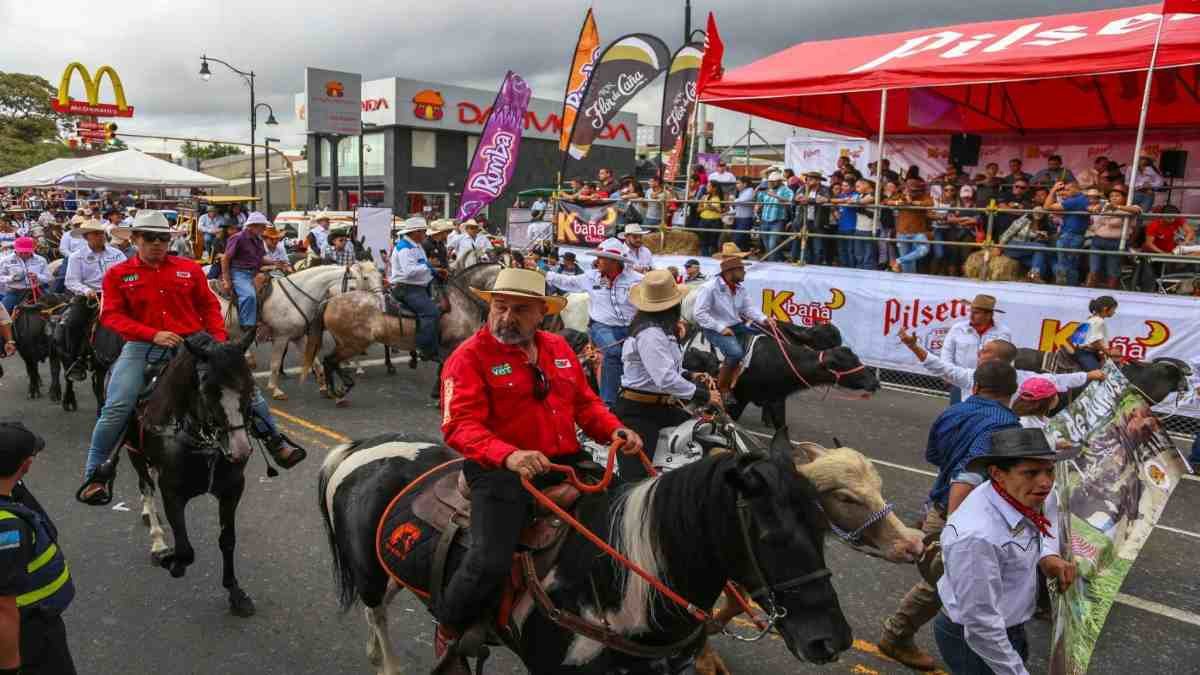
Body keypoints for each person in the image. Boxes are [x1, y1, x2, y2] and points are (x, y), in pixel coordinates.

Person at [433, 268, 643, 671]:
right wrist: (509, 455)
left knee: (621, 517)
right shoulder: (468, 358)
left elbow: (585, 404)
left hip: (562, 462)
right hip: (498, 469)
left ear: (542, 314)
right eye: (500, 306)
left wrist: (614, 429)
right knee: (489, 559)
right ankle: (450, 624)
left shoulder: (559, 348)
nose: (506, 317)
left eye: (520, 310)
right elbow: (458, 425)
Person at [77, 210, 303, 505]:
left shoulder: (188, 268)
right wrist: (151, 333)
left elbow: (209, 307)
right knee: (117, 407)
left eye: (162, 238)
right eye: (149, 238)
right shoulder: (118, 274)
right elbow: (112, 316)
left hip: (197, 342)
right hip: (142, 346)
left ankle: (275, 441)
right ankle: (96, 475)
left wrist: (220, 346)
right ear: (134, 240)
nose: (157, 243)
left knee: (247, 390)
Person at [878, 361, 1020, 671]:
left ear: (977, 387)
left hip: (939, 507)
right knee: (945, 585)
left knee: (955, 584)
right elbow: (968, 470)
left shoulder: (953, 412)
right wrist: (959, 526)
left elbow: (934, 456)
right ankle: (896, 636)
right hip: (962, 517)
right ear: (1012, 391)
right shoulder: (1006, 425)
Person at [935, 428, 1077, 675]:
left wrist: (1046, 556)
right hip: (977, 642)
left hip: (1007, 627)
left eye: (1049, 470)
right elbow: (981, 626)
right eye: (1031, 473)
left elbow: (1034, 528)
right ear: (997, 474)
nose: (1045, 482)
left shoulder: (1009, 494)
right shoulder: (977, 538)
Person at [617, 270, 711, 481]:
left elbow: (667, 370)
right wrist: (703, 395)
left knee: (700, 437)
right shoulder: (651, 333)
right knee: (635, 477)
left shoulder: (662, 330)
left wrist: (691, 375)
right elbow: (665, 378)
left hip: (660, 406)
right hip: (639, 412)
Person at [0, 421, 78, 675]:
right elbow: (3, 608)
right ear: (26, 465)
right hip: (30, 631)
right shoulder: (8, 527)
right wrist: (10, 668)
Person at [546, 246, 642, 409]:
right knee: (613, 353)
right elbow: (568, 282)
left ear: (614, 262)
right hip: (600, 326)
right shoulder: (591, 277)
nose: (597, 261)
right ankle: (608, 403)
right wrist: (545, 274)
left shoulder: (637, 280)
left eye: (602, 258)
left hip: (631, 328)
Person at [898, 330, 1101, 402]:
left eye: (985, 351)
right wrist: (913, 346)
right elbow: (940, 367)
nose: (978, 353)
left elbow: (1058, 380)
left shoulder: (1024, 379)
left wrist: (1090, 375)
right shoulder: (971, 375)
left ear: (998, 360)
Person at [693, 246, 768, 405]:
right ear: (730, 271)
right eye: (741, 269)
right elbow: (699, 314)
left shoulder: (740, 288)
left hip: (736, 325)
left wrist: (763, 319)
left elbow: (748, 308)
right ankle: (723, 388)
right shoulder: (709, 288)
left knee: (764, 340)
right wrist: (721, 328)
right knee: (735, 353)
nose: (744, 272)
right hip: (714, 328)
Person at [941, 294, 1013, 405]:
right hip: (961, 379)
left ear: (989, 315)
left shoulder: (1003, 332)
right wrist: (947, 372)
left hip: (988, 383)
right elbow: (947, 352)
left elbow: (1004, 357)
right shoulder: (958, 328)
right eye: (971, 311)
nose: (971, 315)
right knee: (957, 412)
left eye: (976, 313)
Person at [221, 211, 271, 334]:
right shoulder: (237, 238)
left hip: (255, 272)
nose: (264, 229)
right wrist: (227, 280)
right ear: (253, 226)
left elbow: (261, 259)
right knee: (249, 296)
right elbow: (225, 258)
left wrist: (278, 263)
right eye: (262, 226)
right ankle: (247, 326)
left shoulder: (258, 240)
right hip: (239, 273)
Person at [1087, 186, 1140, 289]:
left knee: (1113, 271)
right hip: (1098, 240)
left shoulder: (1131, 207)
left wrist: (1117, 207)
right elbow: (1090, 210)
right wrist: (1094, 208)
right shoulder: (1104, 206)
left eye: (1117, 196)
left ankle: (1110, 295)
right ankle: (1089, 293)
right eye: (1111, 196)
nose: (1114, 198)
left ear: (1125, 198)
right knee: (1094, 269)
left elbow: (1136, 211)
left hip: (1116, 243)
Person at [1042, 181, 1090, 286]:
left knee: (1066, 266)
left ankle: (1067, 288)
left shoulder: (1075, 201)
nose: (1065, 192)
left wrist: (1053, 190)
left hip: (1070, 236)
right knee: (1069, 265)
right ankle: (1069, 287)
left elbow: (1046, 207)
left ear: (1076, 189)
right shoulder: (1080, 199)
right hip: (1072, 236)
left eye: (1067, 190)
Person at [63, 219, 124, 298]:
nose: (101, 236)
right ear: (85, 237)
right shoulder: (77, 257)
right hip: (93, 296)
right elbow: (71, 281)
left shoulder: (117, 253)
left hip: (118, 293)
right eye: (96, 234)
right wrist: (86, 290)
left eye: (102, 233)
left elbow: (127, 272)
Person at [1064, 295, 1118, 372]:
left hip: (1080, 352)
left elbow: (1072, 339)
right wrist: (1108, 352)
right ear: (1105, 309)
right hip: (1086, 354)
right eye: (1113, 309)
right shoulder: (1099, 321)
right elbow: (1095, 341)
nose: (1114, 312)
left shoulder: (1089, 319)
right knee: (1097, 375)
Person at [891, 178, 934, 274]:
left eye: (915, 190)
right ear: (905, 189)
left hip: (918, 231)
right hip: (902, 232)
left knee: (924, 250)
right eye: (910, 190)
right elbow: (885, 202)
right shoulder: (900, 196)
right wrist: (898, 202)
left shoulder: (924, 196)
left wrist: (913, 202)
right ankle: (908, 285)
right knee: (909, 263)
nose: (912, 192)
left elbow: (930, 203)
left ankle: (898, 261)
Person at [0, 238, 50, 312]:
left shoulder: (41, 260)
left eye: (26, 252)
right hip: (15, 293)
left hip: (38, 290)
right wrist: (11, 278)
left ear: (32, 250)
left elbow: (48, 278)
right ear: (15, 249)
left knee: (57, 307)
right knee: (3, 315)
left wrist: (37, 276)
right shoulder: (5, 261)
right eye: (20, 252)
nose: (23, 254)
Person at [755, 171, 793, 262]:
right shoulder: (766, 189)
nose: (771, 183)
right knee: (768, 246)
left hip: (777, 221)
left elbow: (790, 201)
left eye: (774, 181)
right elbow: (759, 200)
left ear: (780, 181)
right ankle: (779, 261)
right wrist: (757, 206)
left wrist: (776, 196)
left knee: (772, 246)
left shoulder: (786, 190)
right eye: (770, 181)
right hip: (764, 220)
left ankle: (772, 265)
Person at [696, 182, 725, 258]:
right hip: (704, 220)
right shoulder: (704, 197)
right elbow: (698, 209)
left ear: (714, 188)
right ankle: (705, 257)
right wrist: (707, 207)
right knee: (703, 242)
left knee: (713, 242)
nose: (707, 188)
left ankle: (713, 258)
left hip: (715, 221)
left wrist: (713, 208)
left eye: (709, 186)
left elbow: (722, 210)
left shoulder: (720, 198)